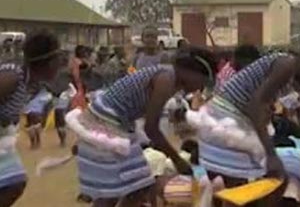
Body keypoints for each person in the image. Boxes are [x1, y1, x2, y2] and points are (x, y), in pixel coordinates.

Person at [186, 40, 300, 204]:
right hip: (227, 123)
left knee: (239, 193)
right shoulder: (287, 64)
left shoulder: (285, 63)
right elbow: (255, 106)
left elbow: (261, 103)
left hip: (219, 122)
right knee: (268, 182)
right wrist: (270, 153)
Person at [66, 46, 217, 207]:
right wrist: (177, 159)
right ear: (191, 71)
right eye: (202, 82)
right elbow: (151, 128)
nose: (198, 89)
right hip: (107, 121)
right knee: (135, 186)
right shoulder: (166, 79)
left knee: (121, 188)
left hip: (108, 120)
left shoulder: (168, 77)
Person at [0, 30, 61, 207]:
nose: (61, 64)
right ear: (47, 62)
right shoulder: (12, 77)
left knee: (14, 183)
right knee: (14, 183)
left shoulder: (31, 83)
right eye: (58, 59)